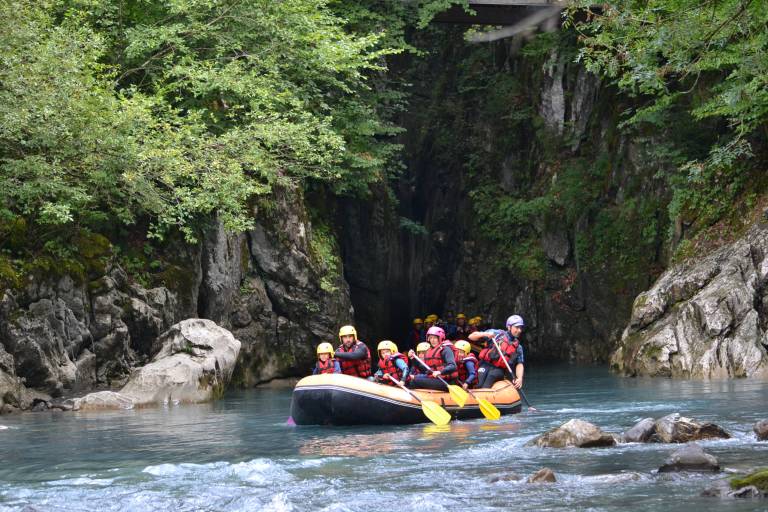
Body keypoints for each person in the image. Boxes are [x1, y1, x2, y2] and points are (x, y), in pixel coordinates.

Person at [469, 315, 525, 389]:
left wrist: (520, 378)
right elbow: (471, 337)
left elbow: (519, 363)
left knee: (489, 380)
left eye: (520, 328)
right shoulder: (497, 334)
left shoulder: (518, 347)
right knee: (479, 384)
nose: (519, 330)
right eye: (517, 327)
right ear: (509, 327)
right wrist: (485, 334)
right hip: (485, 364)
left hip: (499, 369)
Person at [407, 326, 458, 391]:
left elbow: (453, 366)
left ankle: (412, 400)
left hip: (447, 381)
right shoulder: (429, 351)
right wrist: (413, 358)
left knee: (415, 381)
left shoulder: (446, 350)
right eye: (430, 338)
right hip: (435, 379)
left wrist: (440, 372)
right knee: (410, 379)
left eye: (435, 338)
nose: (432, 340)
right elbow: (424, 370)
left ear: (440, 338)